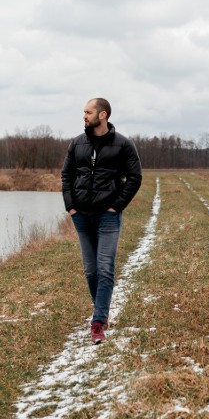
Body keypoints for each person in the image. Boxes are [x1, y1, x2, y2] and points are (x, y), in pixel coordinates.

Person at [61, 98, 142, 344]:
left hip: (108, 215)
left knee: (105, 267)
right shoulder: (77, 144)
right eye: (84, 112)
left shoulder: (123, 145)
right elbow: (67, 175)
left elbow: (135, 177)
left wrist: (115, 206)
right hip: (81, 216)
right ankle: (101, 310)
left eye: (88, 112)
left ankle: (98, 322)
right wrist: (71, 207)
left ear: (102, 115)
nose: (84, 116)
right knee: (91, 270)